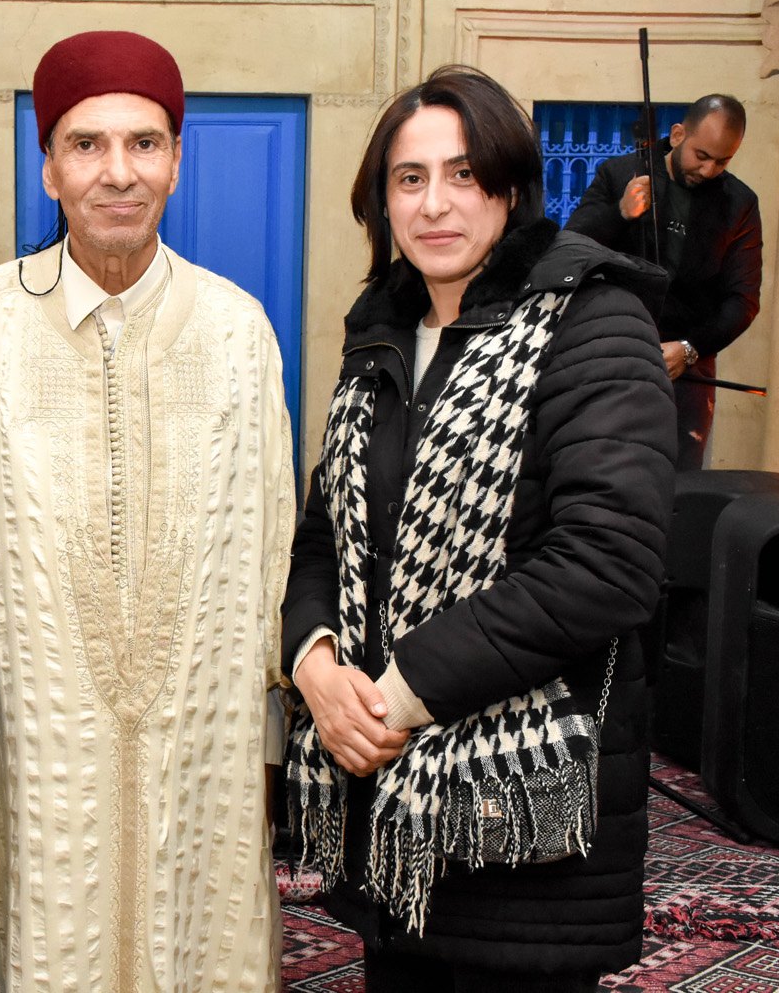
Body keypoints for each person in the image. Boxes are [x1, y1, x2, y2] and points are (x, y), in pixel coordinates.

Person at [0, 30, 295, 993]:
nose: (118, 172)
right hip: (21, 736)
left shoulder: (237, 330)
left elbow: (274, 540)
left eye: (144, 143)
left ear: (176, 162)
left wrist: (270, 736)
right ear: (48, 168)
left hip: (202, 739)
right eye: (87, 144)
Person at [282, 66, 675, 991]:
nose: (435, 204)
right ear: (382, 201)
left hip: (522, 816)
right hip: (387, 806)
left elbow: (605, 564)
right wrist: (315, 668)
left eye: (464, 174)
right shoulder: (380, 333)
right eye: (409, 179)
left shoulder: (593, 323)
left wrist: (397, 693)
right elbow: (323, 536)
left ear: (510, 187)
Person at [564, 94, 762, 469]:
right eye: (701, 156)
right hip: (611, 350)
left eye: (722, 161)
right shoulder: (621, 174)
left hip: (687, 365)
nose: (709, 170)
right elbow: (570, 251)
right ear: (677, 135)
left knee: (677, 476)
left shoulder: (739, 204)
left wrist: (689, 349)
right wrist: (620, 213)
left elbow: (743, 300)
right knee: (597, 465)